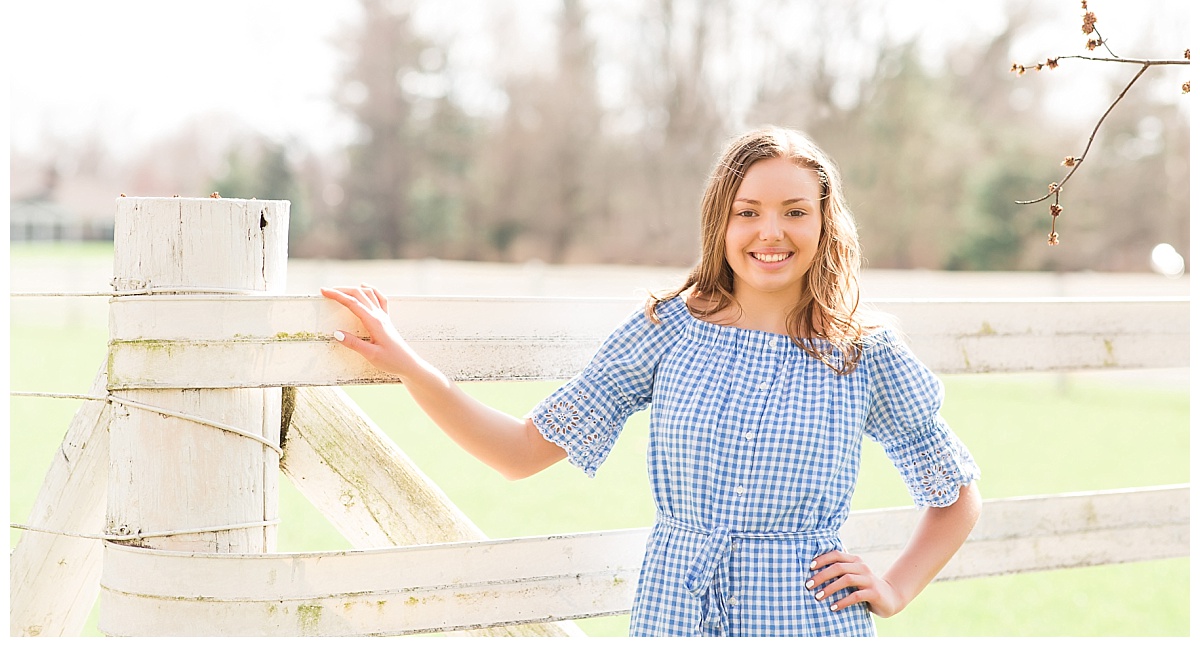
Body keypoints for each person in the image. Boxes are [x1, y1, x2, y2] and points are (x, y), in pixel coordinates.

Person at [321, 126, 981, 637]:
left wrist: (893, 589)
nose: (770, 231)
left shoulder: (863, 351)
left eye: (794, 211)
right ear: (720, 221)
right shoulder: (668, 329)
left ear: (823, 222)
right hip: (674, 610)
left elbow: (956, 495)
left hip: (806, 619)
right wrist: (411, 364)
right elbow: (520, 451)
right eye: (748, 211)